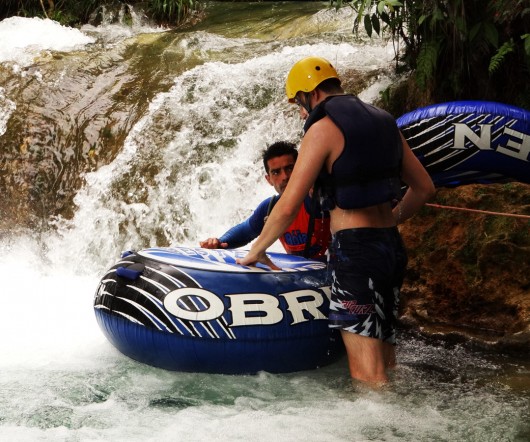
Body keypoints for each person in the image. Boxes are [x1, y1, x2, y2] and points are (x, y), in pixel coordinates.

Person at [237, 56, 435, 387]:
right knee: (387, 366)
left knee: (366, 374)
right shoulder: (385, 121)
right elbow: (424, 187)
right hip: (390, 249)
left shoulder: (323, 129)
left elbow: (288, 205)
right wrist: (393, 219)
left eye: (298, 104)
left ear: (308, 94)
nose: (300, 113)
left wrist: (256, 250)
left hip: (354, 256)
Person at [199, 141, 330, 261]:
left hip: (334, 274)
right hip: (303, 276)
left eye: (289, 168)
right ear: (269, 180)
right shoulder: (270, 207)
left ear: (301, 170)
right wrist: (219, 243)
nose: (284, 177)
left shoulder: (317, 198)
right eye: (276, 172)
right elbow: (245, 231)